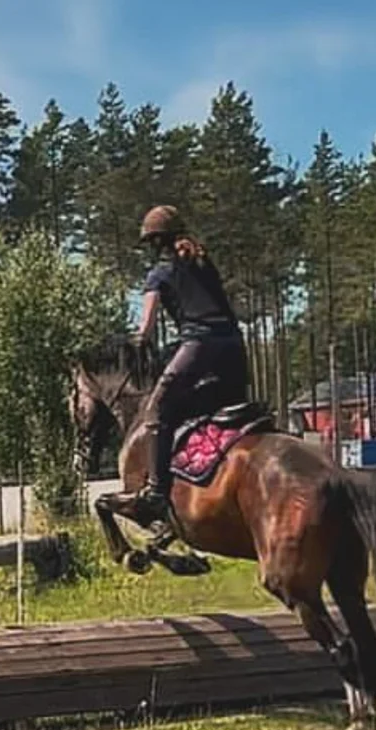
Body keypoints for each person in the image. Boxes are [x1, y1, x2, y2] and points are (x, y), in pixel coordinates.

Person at [131, 205, 250, 533]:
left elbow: (146, 329)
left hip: (200, 347)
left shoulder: (159, 273)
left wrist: (135, 342)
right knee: (217, 409)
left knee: (157, 410)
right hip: (235, 350)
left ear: (155, 242)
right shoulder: (203, 262)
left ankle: (156, 493)